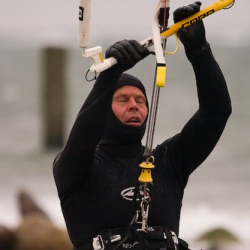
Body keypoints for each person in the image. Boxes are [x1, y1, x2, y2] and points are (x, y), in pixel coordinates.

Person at [53, 2, 231, 250]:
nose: (134, 105)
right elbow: (84, 135)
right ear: (104, 108)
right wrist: (108, 77)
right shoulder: (76, 169)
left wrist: (199, 49)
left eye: (140, 100)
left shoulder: (169, 162)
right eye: (123, 99)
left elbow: (216, 113)